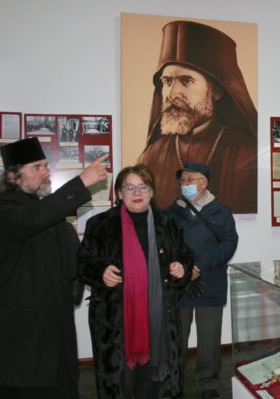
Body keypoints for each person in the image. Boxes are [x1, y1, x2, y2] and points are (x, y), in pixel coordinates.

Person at [0, 137, 108, 399]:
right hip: (16, 335)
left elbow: (76, 259)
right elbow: (34, 219)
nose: (46, 172)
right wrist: (81, 182)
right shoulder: (3, 208)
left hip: (54, 333)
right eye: (37, 167)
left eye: (46, 166)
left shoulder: (51, 215)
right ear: (13, 176)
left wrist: (100, 271)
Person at [78, 165, 194, 399]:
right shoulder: (100, 224)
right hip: (114, 322)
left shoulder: (168, 223)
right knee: (119, 385)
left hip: (157, 319)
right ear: (119, 193)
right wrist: (100, 271)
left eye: (143, 186)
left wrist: (182, 266)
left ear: (152, 192)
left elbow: (185, 254)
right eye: (129, 187)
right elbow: (82, 261)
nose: (137, 192)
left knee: (149, 386)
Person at [138, 20, 257, 214]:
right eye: (167, 81)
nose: (172, 93)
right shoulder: (150, 157)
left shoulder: (247, 153)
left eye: (186, 81)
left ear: (216, 90)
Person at [164, 161, 238, 399]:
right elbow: (164, 246)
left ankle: (208, 384)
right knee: (176, 336)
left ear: (204, 182)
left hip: (211, 281)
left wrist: (199, 266)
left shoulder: (221, 211)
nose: (184, 184)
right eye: (182, 180)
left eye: (190, 179)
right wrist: (184, 268)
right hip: (179, 282)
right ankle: (174, 382)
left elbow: (229, 243)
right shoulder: (170, 212)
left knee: (209, 337)